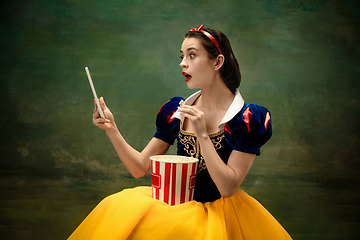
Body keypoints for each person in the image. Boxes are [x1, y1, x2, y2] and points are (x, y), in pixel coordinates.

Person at [68, 24, 292, 239]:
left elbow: (227, 188)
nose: (183, 64)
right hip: (173, 208)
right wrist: (112, 129)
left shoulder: (247, 119)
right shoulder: (177, 111)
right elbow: (140, 168)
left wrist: (202, 134)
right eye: (182, 56)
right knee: (115, 209)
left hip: (220, 216)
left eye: (192, 55)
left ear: (218, 62)